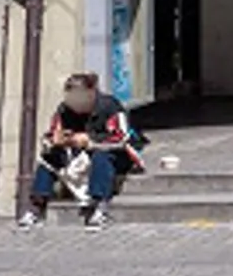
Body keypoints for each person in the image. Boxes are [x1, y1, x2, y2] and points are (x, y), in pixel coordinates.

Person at [18, 71, 143, 229]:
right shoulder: (64, 110)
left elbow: (122, 138)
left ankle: (99, 206)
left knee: (101, 157)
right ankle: (37, 206)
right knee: (49, 157)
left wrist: (89, 141)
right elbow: (50, 135)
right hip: (78, 155)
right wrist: (55, 140)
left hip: (114, 153)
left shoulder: (109, 106)